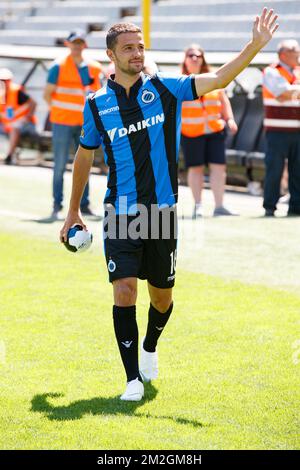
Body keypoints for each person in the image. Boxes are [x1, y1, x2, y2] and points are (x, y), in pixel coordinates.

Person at [60, 10, 278, 401]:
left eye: (140, 47)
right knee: (124, 290)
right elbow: (83, 156)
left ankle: (149, 348)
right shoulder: (96, 104)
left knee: (162, 297)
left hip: (161, 213)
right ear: (111, 55)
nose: (137, 53)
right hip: (121, 212)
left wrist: (254, 46)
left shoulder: (165, 88)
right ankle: (131, 379)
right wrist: (72, 211)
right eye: (128, 48)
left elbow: (218, 79)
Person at [44, 31, 102, 219]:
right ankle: (57, 205)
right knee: (59, 165)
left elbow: (98, 93)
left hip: (85, 124)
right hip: (62, 122)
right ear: (68, 44)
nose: (77, 46)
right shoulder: (58, 66)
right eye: (74, 42)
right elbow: (47, 94)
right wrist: (60, 112)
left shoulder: (94, 67)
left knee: (85, 165)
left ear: (84, 45)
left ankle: (84, 205)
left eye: (80, 42)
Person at [181, 45, 238, 218]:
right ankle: (198, 206)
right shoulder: (179, 81)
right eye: (191, 55)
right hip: (191, 132)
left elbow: (224, 101)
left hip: (215, 130)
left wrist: (230, 119)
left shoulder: (214, 78)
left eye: (199, 55)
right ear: (185, 59)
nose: (195, 58)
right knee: (196, 169)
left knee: (219, 168)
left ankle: (219, 206)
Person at [262, 39, 300, 216]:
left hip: (297, 131)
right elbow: (282, 94)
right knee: (274, 169)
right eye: (296, 52)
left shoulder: (297, 72)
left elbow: (288, 92)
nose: (299, 55)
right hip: (277, 131)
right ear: (284, 54)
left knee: (298, 171)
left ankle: (296, 207)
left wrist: (292, 90)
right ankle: (270, 206)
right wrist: (291, 91)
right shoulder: (271, 71)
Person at [0, 68, 37, 165]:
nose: (3, 83)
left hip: (26, 125)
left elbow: (33, 104)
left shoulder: (17, 92)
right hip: (8, 125)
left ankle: (9, 156)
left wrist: (26, 118)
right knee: (13, 127)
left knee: (15, 128)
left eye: (5, 80)